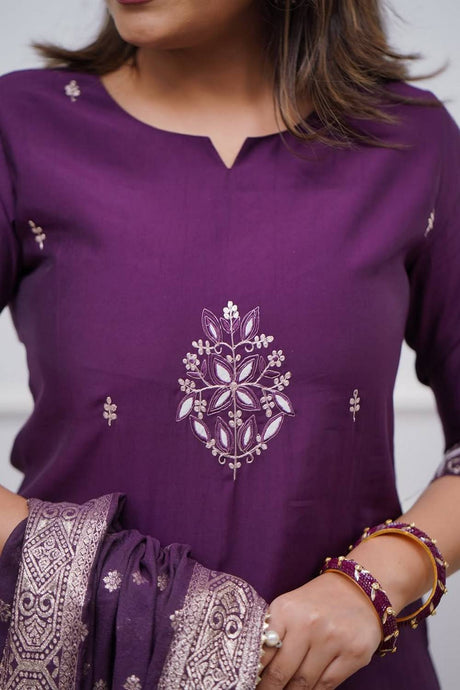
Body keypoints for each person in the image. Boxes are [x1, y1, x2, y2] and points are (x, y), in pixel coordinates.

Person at [0, 0, 459, 687]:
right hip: (86, 662)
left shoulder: (409, 141)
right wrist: (120, 592)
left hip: (336, 673)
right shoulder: (24, 126)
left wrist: (375, 581)